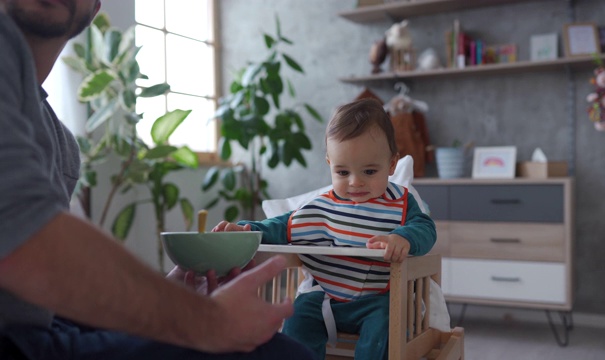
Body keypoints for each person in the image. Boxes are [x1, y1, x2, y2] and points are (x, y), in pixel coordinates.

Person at [0, 0, 315, 359]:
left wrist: (175, 294)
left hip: (41, 328)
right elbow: (25, 246)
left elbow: (41, 288)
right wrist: (207, 319)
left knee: (279, 349)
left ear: (95, 7)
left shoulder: (59, 140)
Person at [214, 98, 437, 360]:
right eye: (343, 172)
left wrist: (404, 238)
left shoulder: (400, 202)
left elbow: (425, 227)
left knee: (386, 325)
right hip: (327, 299)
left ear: (391, 165)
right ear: (330, 164)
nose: (355, 182)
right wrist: (247, 230)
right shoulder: (322, 208)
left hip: (379, 300)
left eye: (369, 171)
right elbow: (283, 227)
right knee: (299, 314)